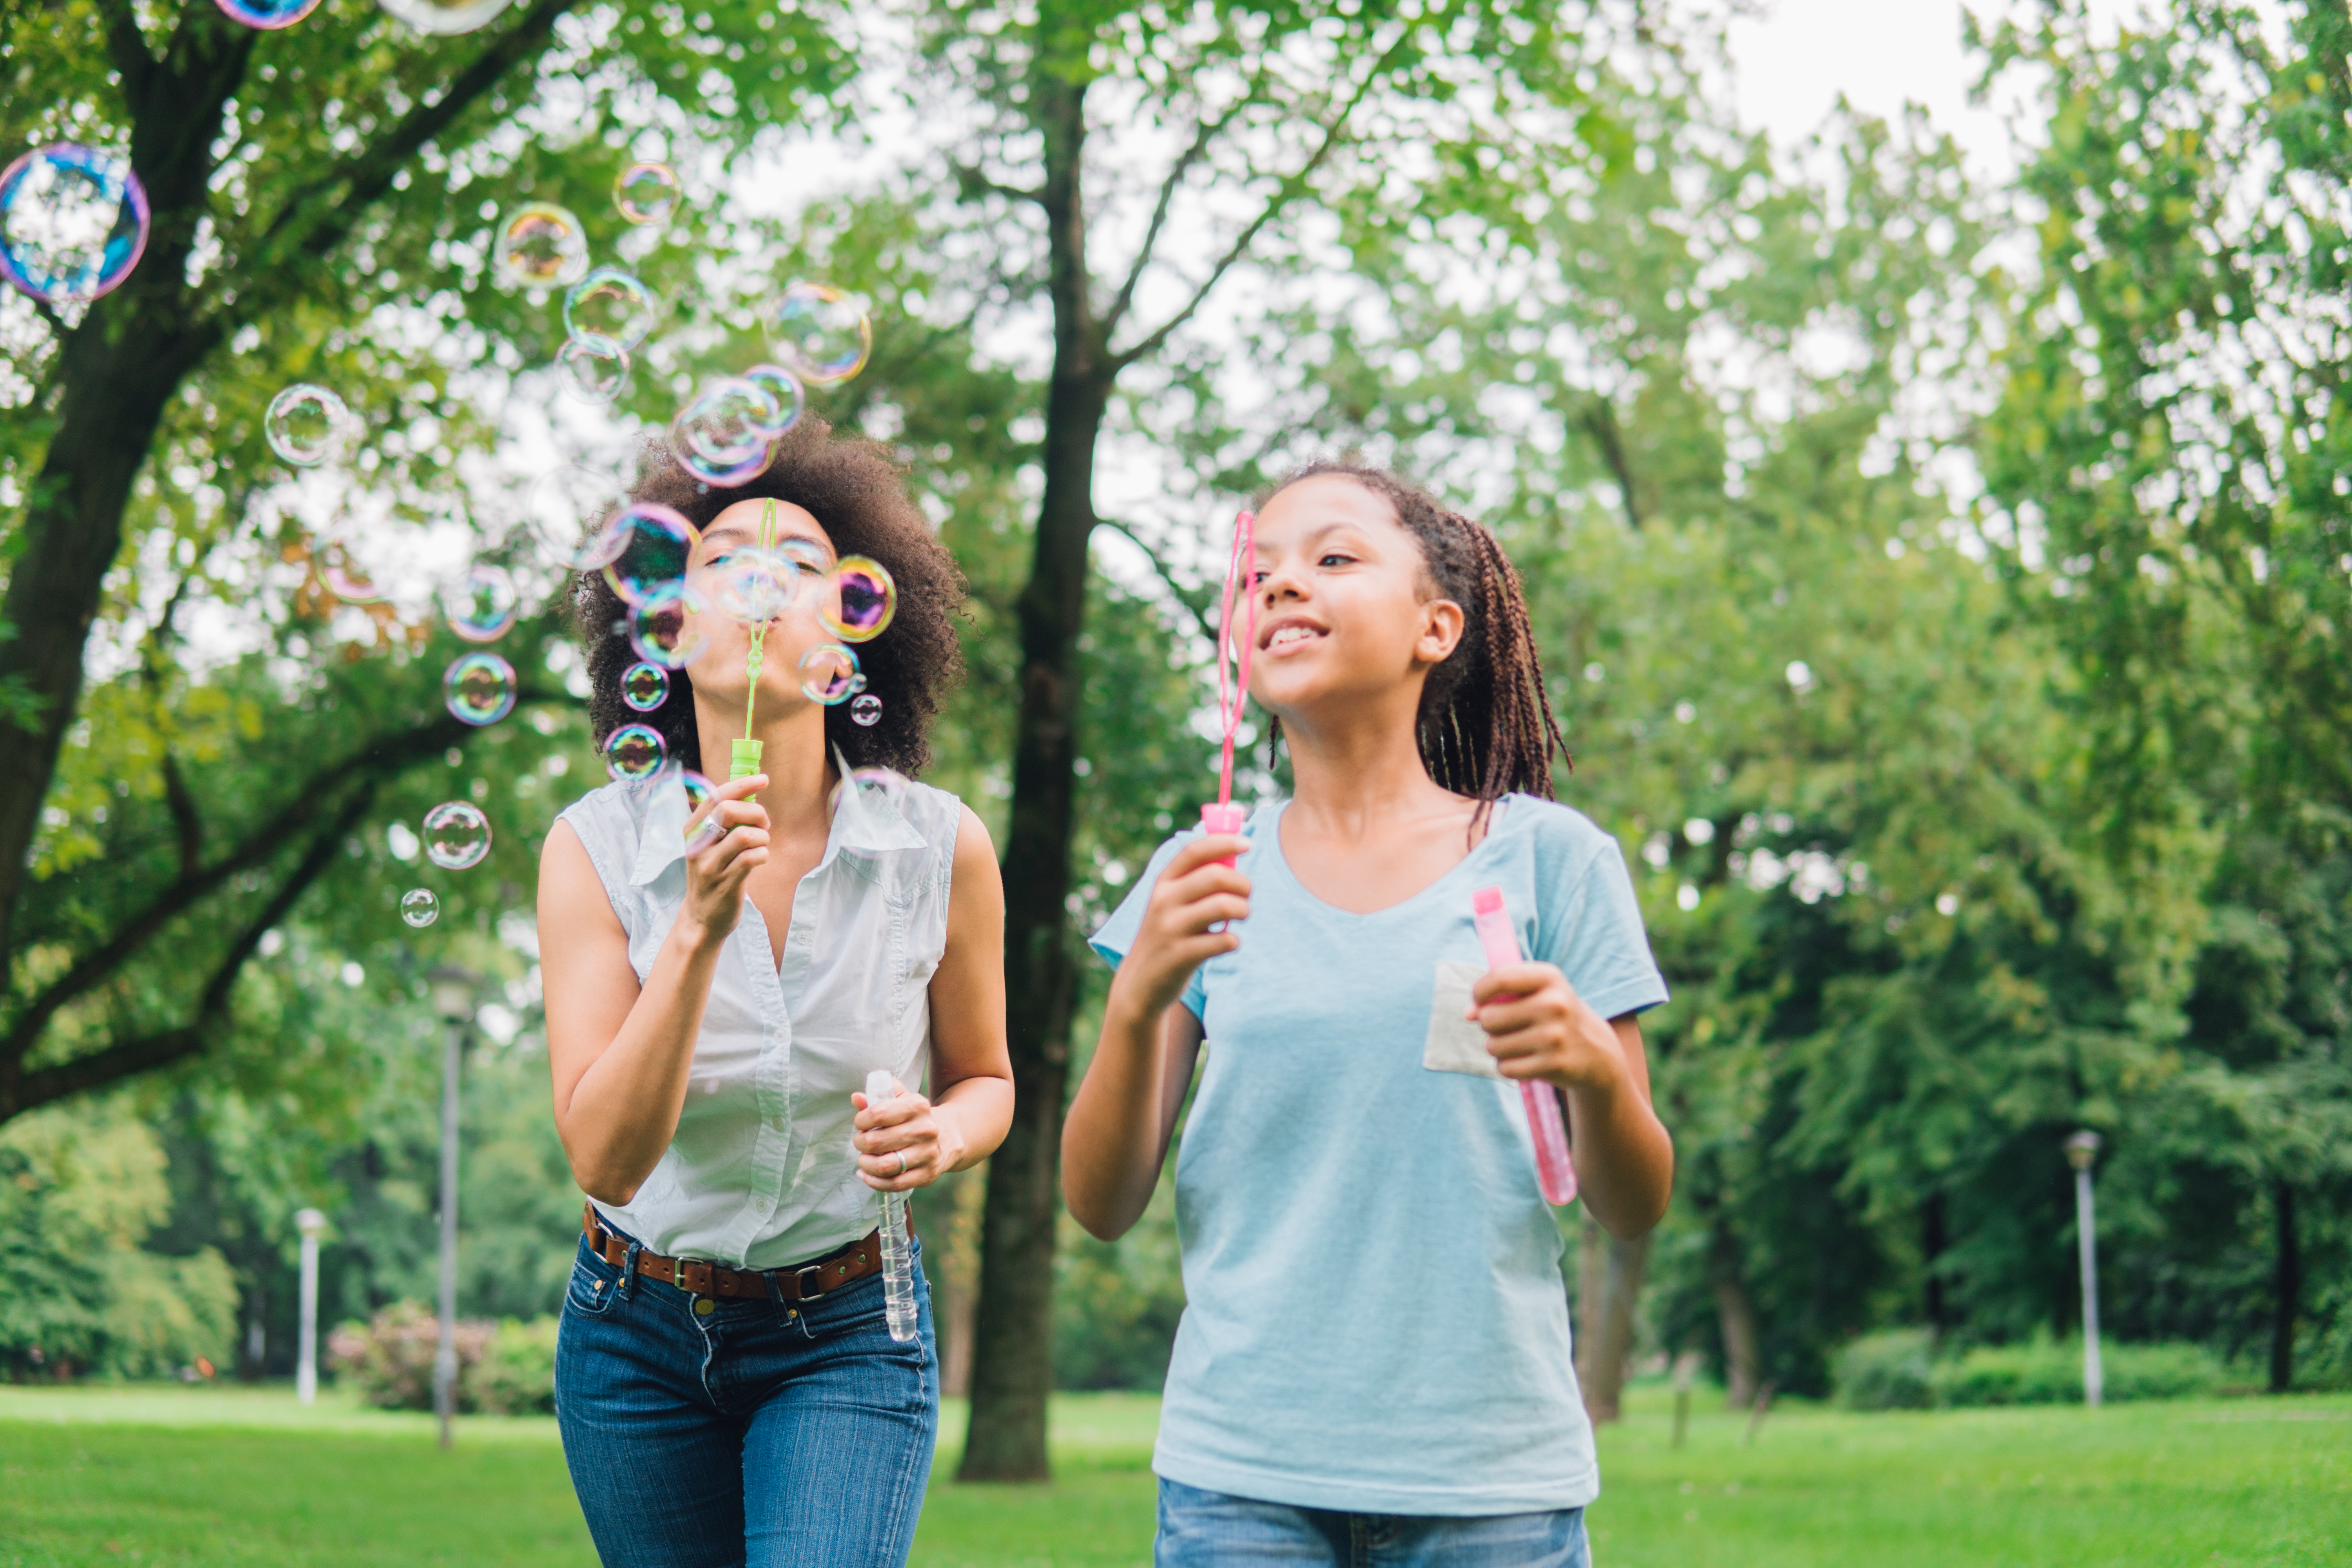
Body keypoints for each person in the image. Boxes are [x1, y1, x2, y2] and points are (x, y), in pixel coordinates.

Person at [1065, 462, 1675, 1567]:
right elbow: (1101, 1202)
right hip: (1239, 1479)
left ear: (1436, 627)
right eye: (1260, 573)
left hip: (1492, 1482)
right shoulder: (1198, 874)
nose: (1283, 586)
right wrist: (1137, 995)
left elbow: (1633, 1206)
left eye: (1333, 559)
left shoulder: (1551, 862)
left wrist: (1591, 1069)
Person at [537, 417, 1012, 1568]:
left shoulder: (939, 848)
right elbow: (604, 1160)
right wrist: (698, 928)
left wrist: (941, 1137)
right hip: (633, 1333)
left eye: (802, 566)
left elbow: (988, 1079)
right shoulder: (595, 849)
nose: (761, 585)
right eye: (723, 563)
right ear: (664, 625)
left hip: (847, 1328)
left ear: (855, 633)